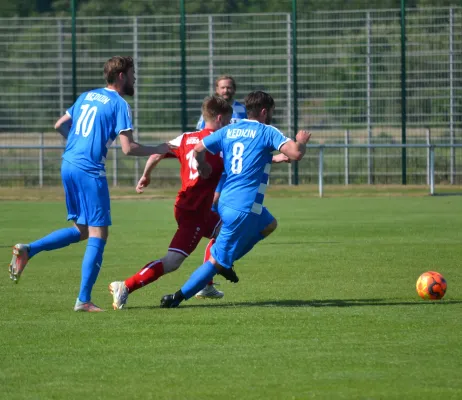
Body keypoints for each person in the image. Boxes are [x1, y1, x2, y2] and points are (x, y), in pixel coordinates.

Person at [8, 56, 173, 312]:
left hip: (69, 164)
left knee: (82, 229)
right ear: (121, 76)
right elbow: (128, 149)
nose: (134, 78)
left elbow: (60, 125)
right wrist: (160, 148)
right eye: (132, 74)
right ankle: (83, 300)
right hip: (89, 169)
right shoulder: (119, 103)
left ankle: (29, 249)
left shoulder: (87, 96)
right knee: (99, 233)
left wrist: (78, 142)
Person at [159, 90, 311, 308]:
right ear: (265, 111)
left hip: (229, 202)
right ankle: (177, 297)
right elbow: (296, 153)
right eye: (272, 113)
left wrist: (202, 165)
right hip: (244, 207)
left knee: (269, 224)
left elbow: (199, 148)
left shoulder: (230, 129)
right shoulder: (267, 131)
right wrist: (301, 141)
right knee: (215, 261)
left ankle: (226, 260)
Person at [108, 96, 233, 310]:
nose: (230, 125)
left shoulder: (186, 138)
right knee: (172, 261)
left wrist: (146, 175)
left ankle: (207, 282)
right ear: (220, 118)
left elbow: (159, 152)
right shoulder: (221, 143)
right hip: (193, 211)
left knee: (227, 230)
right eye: (229, 121)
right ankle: (125, 286)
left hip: (192, 207)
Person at [195, 75, 247, 298]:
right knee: (221, 231)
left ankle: (206, 281)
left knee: (222, 230)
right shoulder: (208, 115)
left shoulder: (243, 111)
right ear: (217, 89)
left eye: (229, 87)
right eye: (223, 87)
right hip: (219, 175)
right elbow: (202, 139)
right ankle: (205, 282)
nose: (226, 91)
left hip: (235, 174)